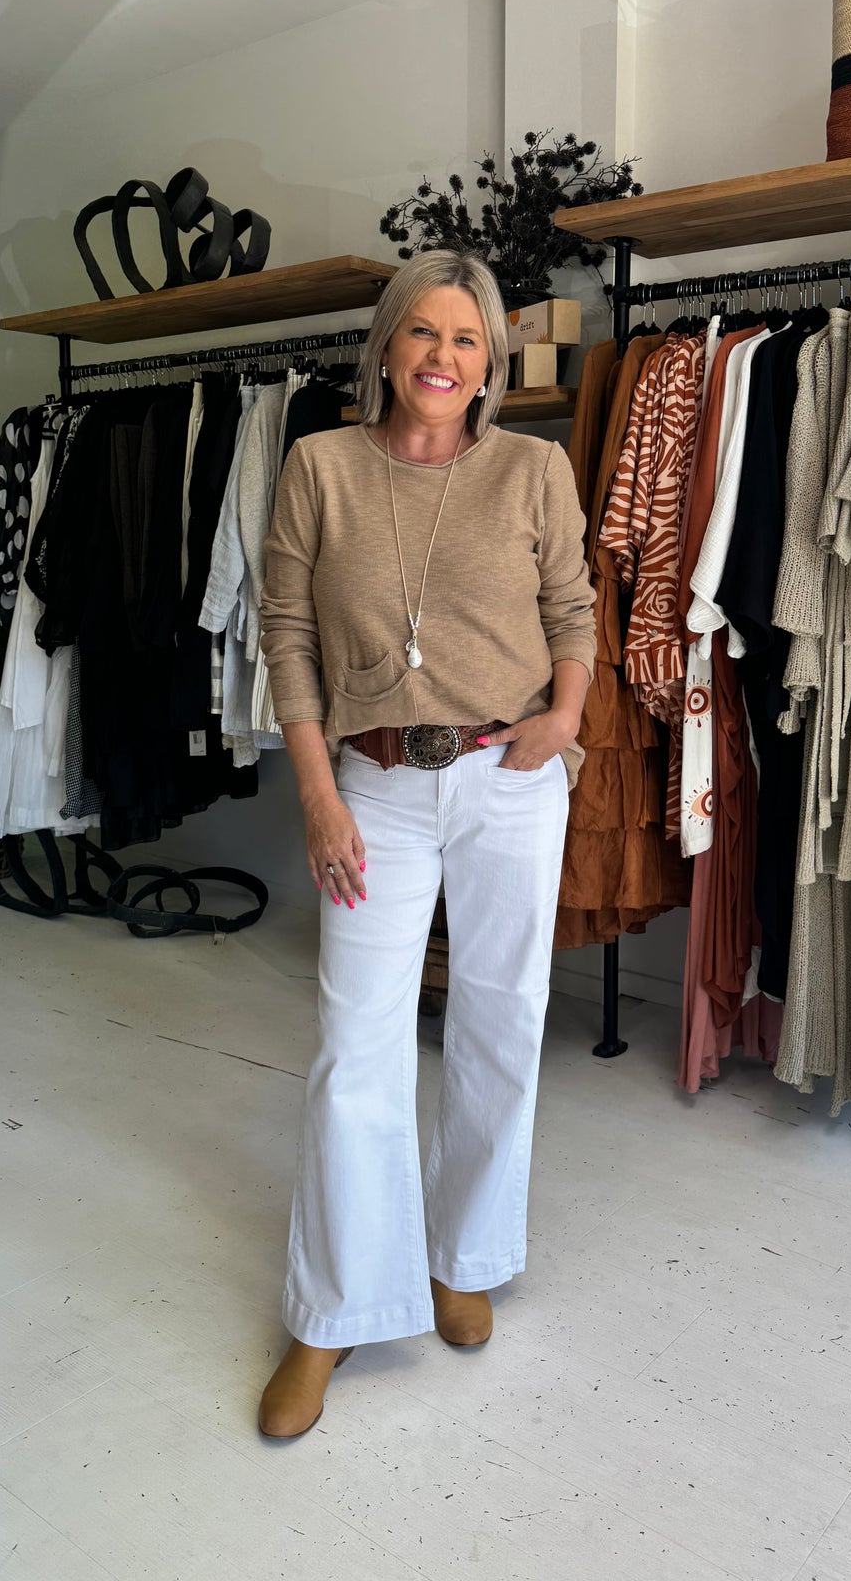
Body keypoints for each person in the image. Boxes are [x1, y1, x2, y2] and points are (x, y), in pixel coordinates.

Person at [256, 247, 596, 1437]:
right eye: (424, 332)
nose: (443, 358)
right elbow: (287, 634)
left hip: (511, 776)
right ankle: (334, 1311)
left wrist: (564, 719)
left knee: (500, 1018)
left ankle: (465, 1254)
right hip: (375, 786)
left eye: (466, 340)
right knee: (357, 1045)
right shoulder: (319, 466)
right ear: (386, 345)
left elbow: (574, 609)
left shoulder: (533, 468)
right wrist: (318, 796)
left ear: (490, 362)